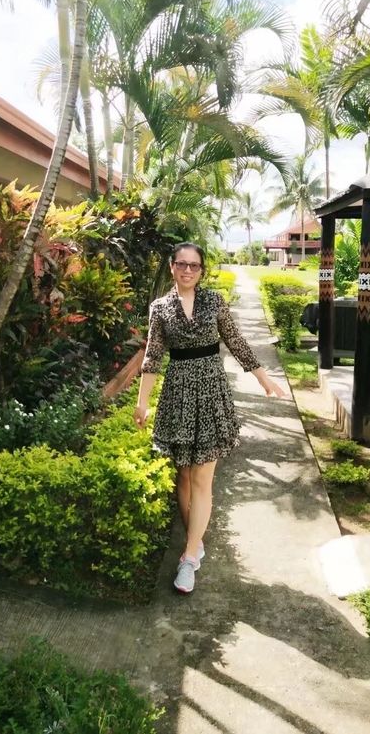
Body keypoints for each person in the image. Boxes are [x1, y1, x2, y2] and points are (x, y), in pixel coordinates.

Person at [133, 242, 285, 594]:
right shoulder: (160, 308)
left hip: (211, 392)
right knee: (184, 478)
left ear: (202, 270)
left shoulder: (214, 301)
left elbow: (235, 341)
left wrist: (263, 378)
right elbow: (153, 357)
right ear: (172, 267)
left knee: (202, 479)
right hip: (178, 395)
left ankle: (188, 559)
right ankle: (195, 541)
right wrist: (142, 403)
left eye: (195, 265)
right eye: (182, 264)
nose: (188, 270)